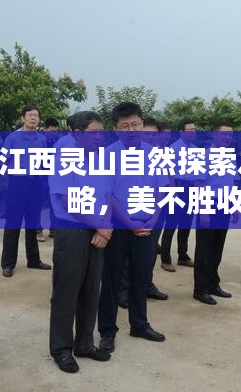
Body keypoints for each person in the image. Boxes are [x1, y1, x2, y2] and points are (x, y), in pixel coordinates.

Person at [98, 102, 167, 354]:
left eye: (135, 124)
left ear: (142, 124)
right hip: (117, 227)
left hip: (147, 226)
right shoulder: (107, 155)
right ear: (116, 129)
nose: (131, 129)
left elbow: (161, 189)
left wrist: (154, 217)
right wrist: (128, 223)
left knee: (141, 278)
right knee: (111, 281)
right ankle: (107, 331)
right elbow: (107, 195)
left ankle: (139, 324)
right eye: (125, 126)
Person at [48, 111, 112, 373]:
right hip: (73, 230)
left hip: (98, 230)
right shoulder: (63, 155)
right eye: (93, 132)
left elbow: (107, 194)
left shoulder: (100, 157)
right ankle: (61, 349)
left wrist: (105, 226)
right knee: (67, 291)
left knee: (91, 289)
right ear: (77, 134)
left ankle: (84, 343)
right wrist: (101, 225)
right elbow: (67, 201)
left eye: (101, 132)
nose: (99, 137)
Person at [117, 118, 168, 308]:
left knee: (150, 251)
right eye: (147, 133)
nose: (151, 137)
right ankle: (123, 291)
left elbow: (164, 183)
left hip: (155, 210)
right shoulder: (120, 154)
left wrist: (157, 212)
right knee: (127, 256)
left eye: (154, 134)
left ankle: (146, 284)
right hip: (129, 212)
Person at [0, 105, 51, 277]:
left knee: (33, 223)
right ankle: (8, 264)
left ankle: (34, 260)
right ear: (23, 118)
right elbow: (2, 161)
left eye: (36, 115)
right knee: (13, 223)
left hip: (35, 184)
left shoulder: (41, 139)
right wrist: (10, 179)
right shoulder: (12, 138)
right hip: (17, 183)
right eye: (30, 115)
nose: (33, 118)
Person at [193, 122, 238, 305]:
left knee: (217, 248)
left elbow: (231, 184)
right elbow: (198, 184)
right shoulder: (204, 156)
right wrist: (203, 211)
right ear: (215, 135)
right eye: (224, 134)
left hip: (225, 205)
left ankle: (213, 284)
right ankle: (200, 289)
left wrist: (234, 206)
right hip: (208, 204)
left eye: (230, 135)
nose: (227, 138)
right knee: (203, 250)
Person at [159, 119, 197, 272]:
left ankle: (183, 255)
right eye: (190, 129)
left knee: (186, 223)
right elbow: (168, 172)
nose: (193, 132)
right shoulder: (173, 148)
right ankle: (165, 258)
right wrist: (172, 191)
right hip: (177, 187)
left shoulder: (195, 149)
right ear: (181, 132)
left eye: (194, 129)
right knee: (171, 223)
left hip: (190, 188)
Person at [36, 117, 60, 242]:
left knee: (54, 203)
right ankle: (37, 230)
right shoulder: (39, 141)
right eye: (52, 131)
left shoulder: (57, 142)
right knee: (37, 204)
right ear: (45, 129)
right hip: (40, 177)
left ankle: (54, 229)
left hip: (53, 178)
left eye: (56, 131)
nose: (54, 133)